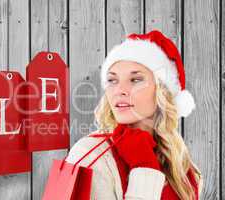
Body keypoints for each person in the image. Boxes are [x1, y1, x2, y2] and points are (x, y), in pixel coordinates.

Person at [65, 30, 203, 200]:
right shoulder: (89, 154)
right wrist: (145, 168)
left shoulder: (180, 162)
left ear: (162, 90)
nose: (120, 91)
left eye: (135, 80)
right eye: (112, 80)